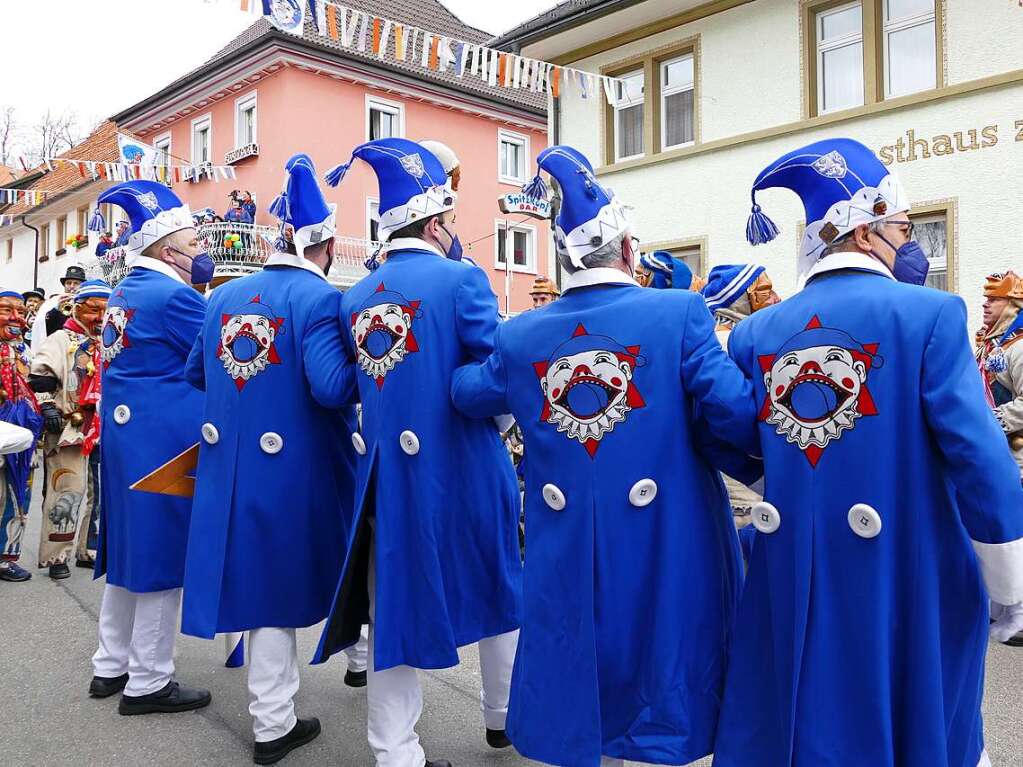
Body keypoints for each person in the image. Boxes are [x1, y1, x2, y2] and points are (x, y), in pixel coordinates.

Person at [712, 138, 1023, 767]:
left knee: (803, 719)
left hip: (794, 567)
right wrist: (1008, 586)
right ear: (862, 230)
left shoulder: (754, 332)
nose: (911, 242)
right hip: (910, 571)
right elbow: (981, 461)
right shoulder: (933, 315)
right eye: (903, 227)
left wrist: (793, 482)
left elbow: (737, 440)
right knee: (927, 725)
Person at [450, 145, 758, 767]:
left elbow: (465, 393)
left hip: (566, 546)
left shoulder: (521, 334)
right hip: (668, 543)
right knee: (665, 672)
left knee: (581, 677)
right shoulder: (679, 313)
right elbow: (737, 415)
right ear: (625, 247)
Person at [315, 138, 522, 767]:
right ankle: (502, 719)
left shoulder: (354, 296)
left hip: (389, 478)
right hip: (467, 467)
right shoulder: (463, 279)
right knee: (498, 587)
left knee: (394, 605)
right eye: (452, 220)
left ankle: (394, 749)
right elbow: (498, 378)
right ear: (435, 222)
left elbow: (340, 386)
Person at [181, 154, 361, 765]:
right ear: (327, 242)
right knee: (299, 581)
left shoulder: (223, 296)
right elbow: (331, 388)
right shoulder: (318, 297)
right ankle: (278, 722)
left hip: (233, 464)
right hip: (299, 470)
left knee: (260, 587)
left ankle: (272, 717)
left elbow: (193, 372)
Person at [89, 180, 213, 714]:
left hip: (127, 441)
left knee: (127, 555)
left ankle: (110, 665)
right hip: (165, 445)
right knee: (160, 558)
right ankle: (149, 681)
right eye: (194, 244)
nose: (202, 253)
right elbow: (222, 355)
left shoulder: (126, 290)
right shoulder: (174, 295)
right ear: (168, 251)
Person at [29, 279, 109, 578]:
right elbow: (40, 375)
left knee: (95, 493)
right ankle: (56, 556)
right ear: (76, 309)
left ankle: (87, 549)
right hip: (68, 428)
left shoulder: (109, 341)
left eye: (105, 310)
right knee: (66, 489)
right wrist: (47, 405)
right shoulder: (61, 338)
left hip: (102, 428)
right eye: (92, 310)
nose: (99, 317)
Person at [702, 263, 781, 547]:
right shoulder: (720, 342)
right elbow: (732, 411)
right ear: (742, 298)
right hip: (739, 472)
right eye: (765, 292)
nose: (775, 299)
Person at [976, 270, 1023, 647]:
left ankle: (1019, 614)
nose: (986, 304)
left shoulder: (1019, 347)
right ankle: (1001, 607)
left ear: (1014, 305)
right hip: (994, 455)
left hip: (1015, 455)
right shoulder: (990, 346)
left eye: (994, 299)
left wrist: (987, 421)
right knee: (994, 526)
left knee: (1014, 530)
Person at [0, 290, 43, 583]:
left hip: (22, 438)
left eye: (19, 311)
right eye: (6, 310)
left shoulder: (25, 352)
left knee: (18, 497)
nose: (16, 318)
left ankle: (6, 558)